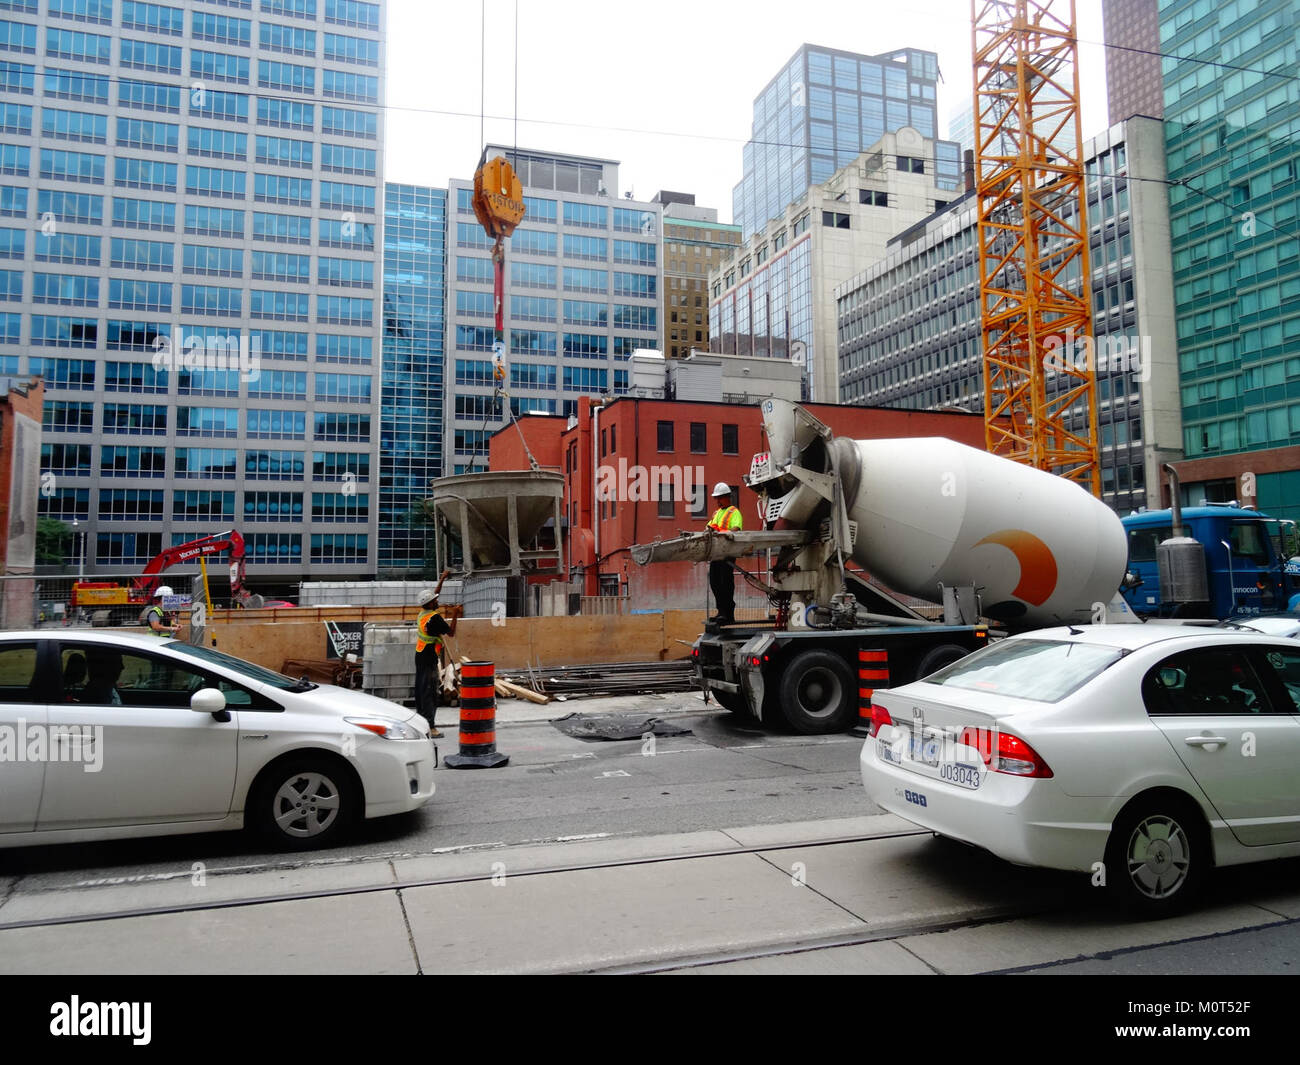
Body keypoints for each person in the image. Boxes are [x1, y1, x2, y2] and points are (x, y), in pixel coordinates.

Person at [414, 588, 454, 737]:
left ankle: (420, 724)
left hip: (420, 655)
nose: (438, 600)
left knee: (421, 690)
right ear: (430, 603)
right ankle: (430, 727)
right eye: (435, 600)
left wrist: (442, 579)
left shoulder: (423, 614)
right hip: (429, 657)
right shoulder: (435, 618)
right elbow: (451, 632)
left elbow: (432, 595)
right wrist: (455, 614)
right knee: (430, 692)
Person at [706, 481, 742, 625]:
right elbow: (709, 528)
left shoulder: (735, 512)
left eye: (719, 498)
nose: (717, 501)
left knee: (725, 582)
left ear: (727, 496)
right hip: (716, 554)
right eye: (716, 498)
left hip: (727, 554)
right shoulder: (716, 513)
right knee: (715, 582)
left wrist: (721, 533)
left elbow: (736, 529)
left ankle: (727, 613)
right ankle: (721, 611)